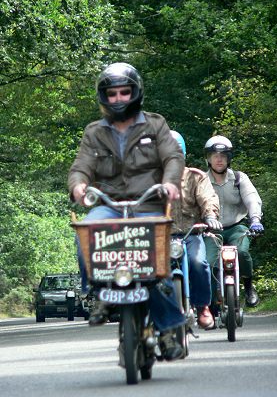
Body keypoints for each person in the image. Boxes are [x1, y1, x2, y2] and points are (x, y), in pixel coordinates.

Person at [68, 62, 186, 361]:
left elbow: (172, 157)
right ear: (103, 97)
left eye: (124, 92)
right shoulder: (94, 132)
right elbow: (81, 166)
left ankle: (170, 330)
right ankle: (97, 293)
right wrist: (79, 186)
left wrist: (170, 183)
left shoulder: (155, 124)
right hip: (108, 206)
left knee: (158, 270)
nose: (118, 98)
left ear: (135, 93)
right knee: (85, 234)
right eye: (112, 93)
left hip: (148, 205)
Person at [203, 135, 264, 307]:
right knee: (209, 261)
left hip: (237, 227)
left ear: (229, 158)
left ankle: (249, 287)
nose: (219, 159)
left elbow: (252, 198)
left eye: (223, 156)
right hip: (211, 230)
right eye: (215, 156)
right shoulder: (202, 180)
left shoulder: (239, 178)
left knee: (242, 253)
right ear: (208, 158)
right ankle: (211, 298)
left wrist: (255, 219)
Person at [170, 130, 223, 330]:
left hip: (190, 234)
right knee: (149, 270)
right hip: (160, 236)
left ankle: (203, 308)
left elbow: (208, 198)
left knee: (198, 262)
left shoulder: (196, 177)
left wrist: (210, 216)